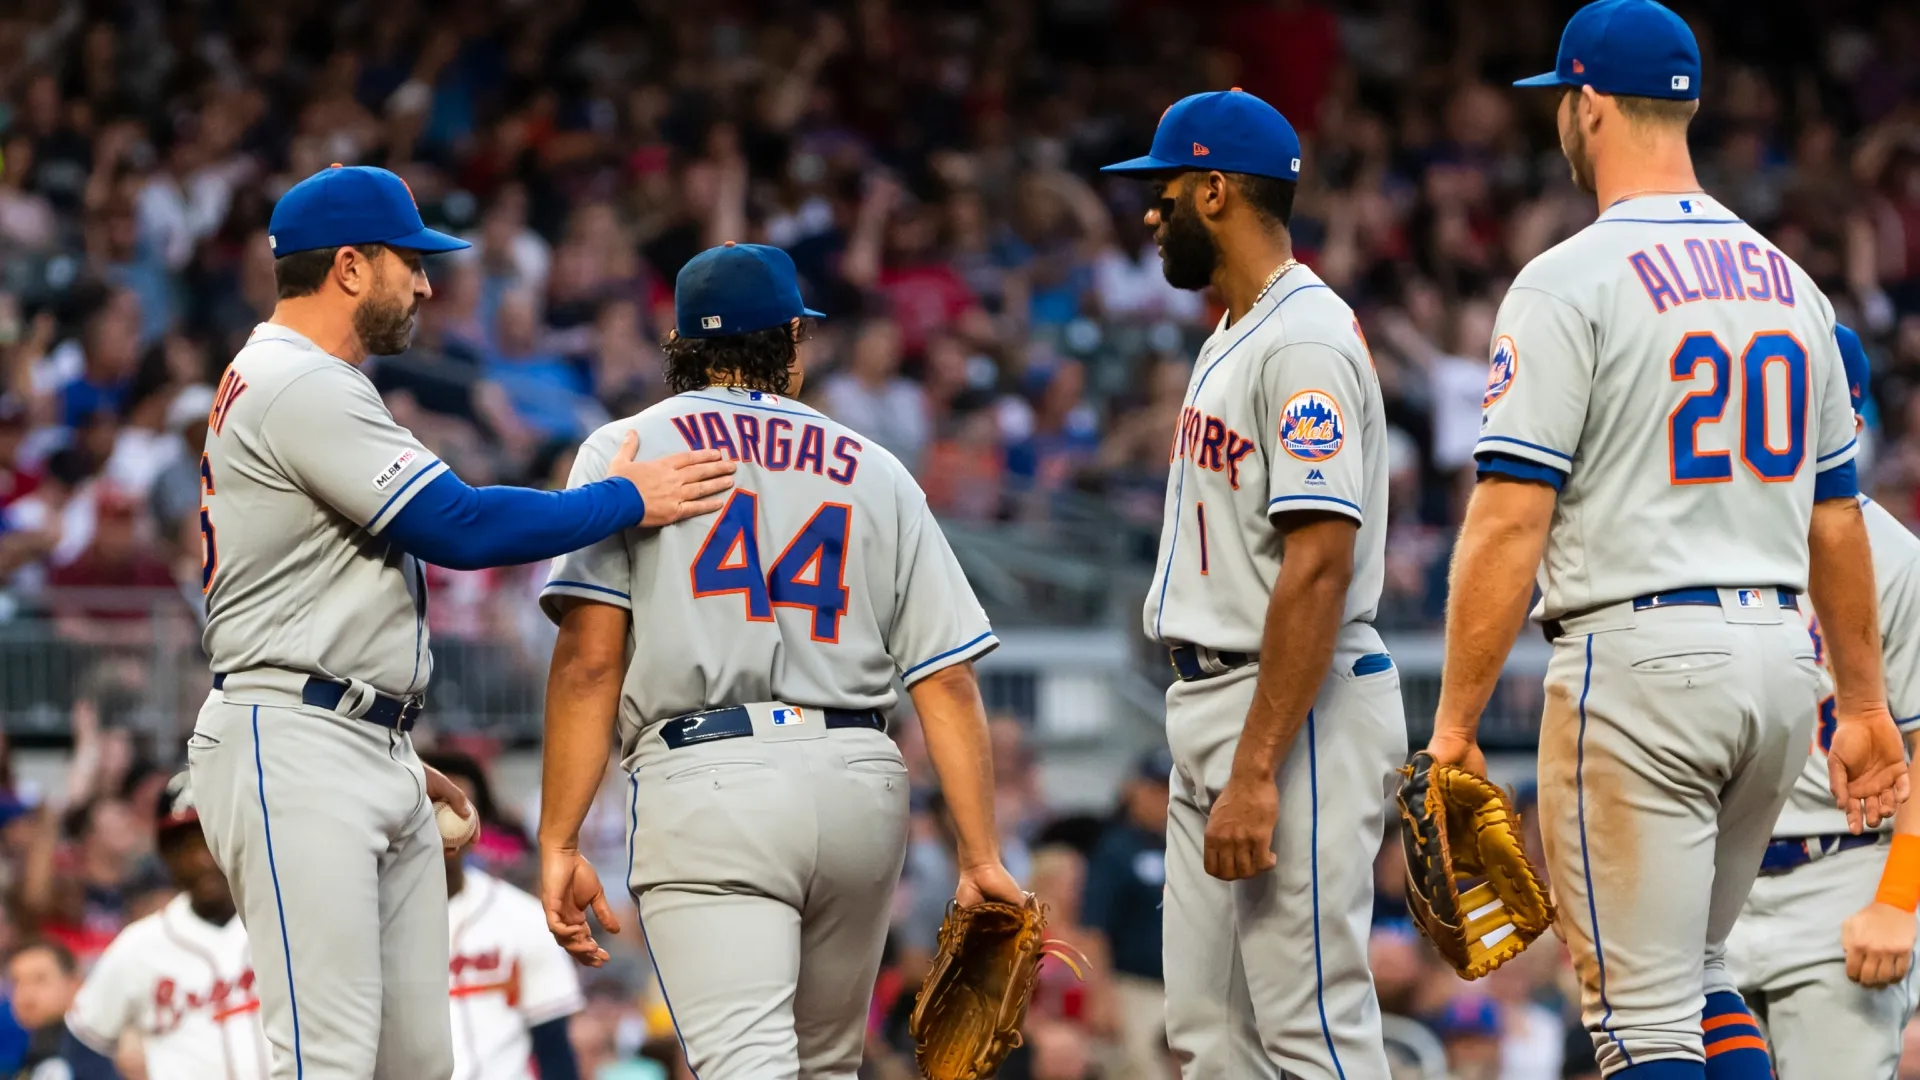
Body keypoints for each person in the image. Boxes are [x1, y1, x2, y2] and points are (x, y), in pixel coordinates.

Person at [1422, 3, 1909, 1078]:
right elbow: (1836, 518)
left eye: (1562, 99)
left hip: (1642, 667)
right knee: (1695, 975)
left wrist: (1452, 730)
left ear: (1589, 105)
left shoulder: (1567, 279)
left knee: (1637, 1024)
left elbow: (1510, 517)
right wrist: (1864, 704)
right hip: (1783, 670)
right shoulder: (1792, 284)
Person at [184, 164, 740, 1080]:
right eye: (413, 261)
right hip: (292, 742)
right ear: (352, 268)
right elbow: (461, 526)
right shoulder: (295, 380)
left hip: (344, 736)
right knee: (323, 1062)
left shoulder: (299, 378)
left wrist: (383, 733)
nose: (428, 284)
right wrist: (622, 499)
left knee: (415, 1066)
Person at [536, 241, 1023, 1079]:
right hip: (860, 784)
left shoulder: (627, 448)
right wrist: (980, 858)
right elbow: (946, 679)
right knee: (826, 1069)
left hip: (714, 781)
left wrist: (559, 839)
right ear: (793, 341)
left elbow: (588, 662)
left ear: (682, 346)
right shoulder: (876, 467)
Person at [1101, 89, 1408, 1077]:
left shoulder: (1301, 339)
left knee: (1311, 1030)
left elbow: (1318, 563)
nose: (1151, 211)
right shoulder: (1239, 328)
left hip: (1291, 706)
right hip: (1218, 701)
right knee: (1209, 1041)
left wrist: (1259, 769)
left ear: (1217, 190)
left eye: (1166, 189)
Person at [1726, 326, 1920, 1078]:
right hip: (1708, 881)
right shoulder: (1697, 541)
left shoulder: (1896, 559)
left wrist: (1897, 900)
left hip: (1838, 879)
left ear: (1852, 422)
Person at [61, 773, 267, 1080]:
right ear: (166, 857)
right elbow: (84, 1041)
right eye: (184, 846)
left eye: (212, 838)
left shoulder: (286, 925)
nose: (201, 859)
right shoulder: (139, 946)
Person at [421, 751, 584, 1080]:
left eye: (462, 809)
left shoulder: (521, 917)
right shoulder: (371, 922)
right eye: (434, 807)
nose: (449, 822)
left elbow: (553, 1048)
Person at [1081, 749, 1170, 1080]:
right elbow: (1094, 925)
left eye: (1167, 789)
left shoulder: (1178, 844)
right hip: (1132, 986)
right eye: (1154, 788)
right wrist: (1100, 992)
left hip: (1180, 988)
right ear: (1134, 789)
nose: (1162, 798)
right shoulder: (1114, 849)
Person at [8, 941, 82, 1079]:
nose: (25, 995)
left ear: (74, 986)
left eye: (39, 980)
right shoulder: (20, 1051)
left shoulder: (93, 1054)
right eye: (17, 982)